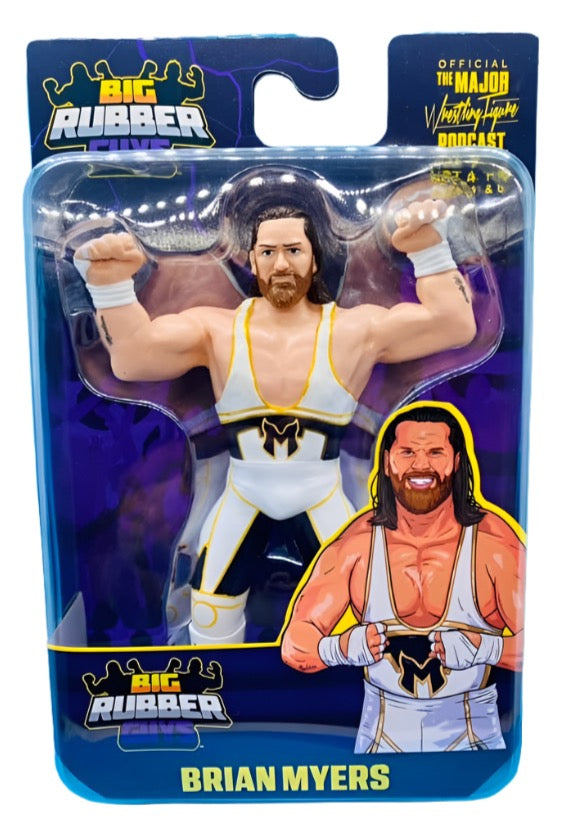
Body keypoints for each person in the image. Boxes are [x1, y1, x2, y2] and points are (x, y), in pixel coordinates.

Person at [73, 200, 477, 646]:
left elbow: (454, 326)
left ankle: (349, 685)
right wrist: (110, 285)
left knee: (363, 608)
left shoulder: (353, 330)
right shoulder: (218, 331)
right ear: (251, 259)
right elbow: (133, 357)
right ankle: (222, 689)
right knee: (208, 612)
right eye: (268, 252)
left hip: (321, 495)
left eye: (293, 250)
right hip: (244, 494)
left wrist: (428, 249)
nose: (281, 264)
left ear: (315, 258)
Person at [281, 403, 525, 753]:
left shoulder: (493, 545)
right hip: (381, 733)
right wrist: (340, 648)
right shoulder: (357, 546)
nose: (421, 465)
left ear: (457, 461)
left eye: (435, 452)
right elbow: (295, 644)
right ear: (386, 461)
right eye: (408, 452)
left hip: (473, 733)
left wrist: (486, 648)